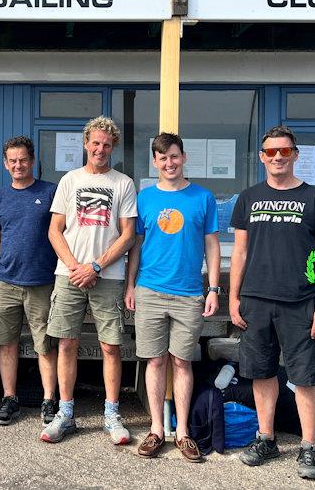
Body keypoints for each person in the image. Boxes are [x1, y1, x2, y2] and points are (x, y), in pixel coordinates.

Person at [229, 125, 315, 480]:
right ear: (262, 157)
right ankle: (266, 438)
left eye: (284, 151)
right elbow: (240, 253)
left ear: (295, 155)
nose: (277, 157)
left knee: (304, 377)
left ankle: (308, 447)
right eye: (271, 152)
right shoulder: (248, 198)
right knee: (261, 372)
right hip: (256, 302)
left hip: (301, 302)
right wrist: (233, 297)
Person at [124, 133, 221, 460]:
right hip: (150, 289)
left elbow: (212, 244)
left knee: (182, 361)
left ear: (184, 157)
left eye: (174, 157)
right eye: (163, 158)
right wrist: (130, 285)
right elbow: (135, 245)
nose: (169, 163)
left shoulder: (203, 198)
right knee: (154, 360)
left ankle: (183, 433)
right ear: (155, 162)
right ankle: (156, 429)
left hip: (190, 293)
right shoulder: (146, 198)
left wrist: (214, 288)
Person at [41, 116, 137, 444]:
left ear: (113, 147)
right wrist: (74, 267)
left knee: (111, 346)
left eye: (106, 145)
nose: (100, 149)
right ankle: (65, 413)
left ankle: (112, 414)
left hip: (107, 275)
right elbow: (55, 230)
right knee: (66, 343)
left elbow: (128, 235)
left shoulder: (122, 183)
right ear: (86, 144)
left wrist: (94, 266)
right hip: (68, 275)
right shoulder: (69, 180)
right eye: (95, 143)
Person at [0, 136, 59, 425]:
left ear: (32, 161)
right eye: (12, 161)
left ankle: (48, 400)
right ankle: (10, 398)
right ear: (6, 164)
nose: (18, 165)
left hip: (42, 281)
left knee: (45, 343)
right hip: (6, 282)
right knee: (6, 342)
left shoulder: (51, 192)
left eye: (23, 160)